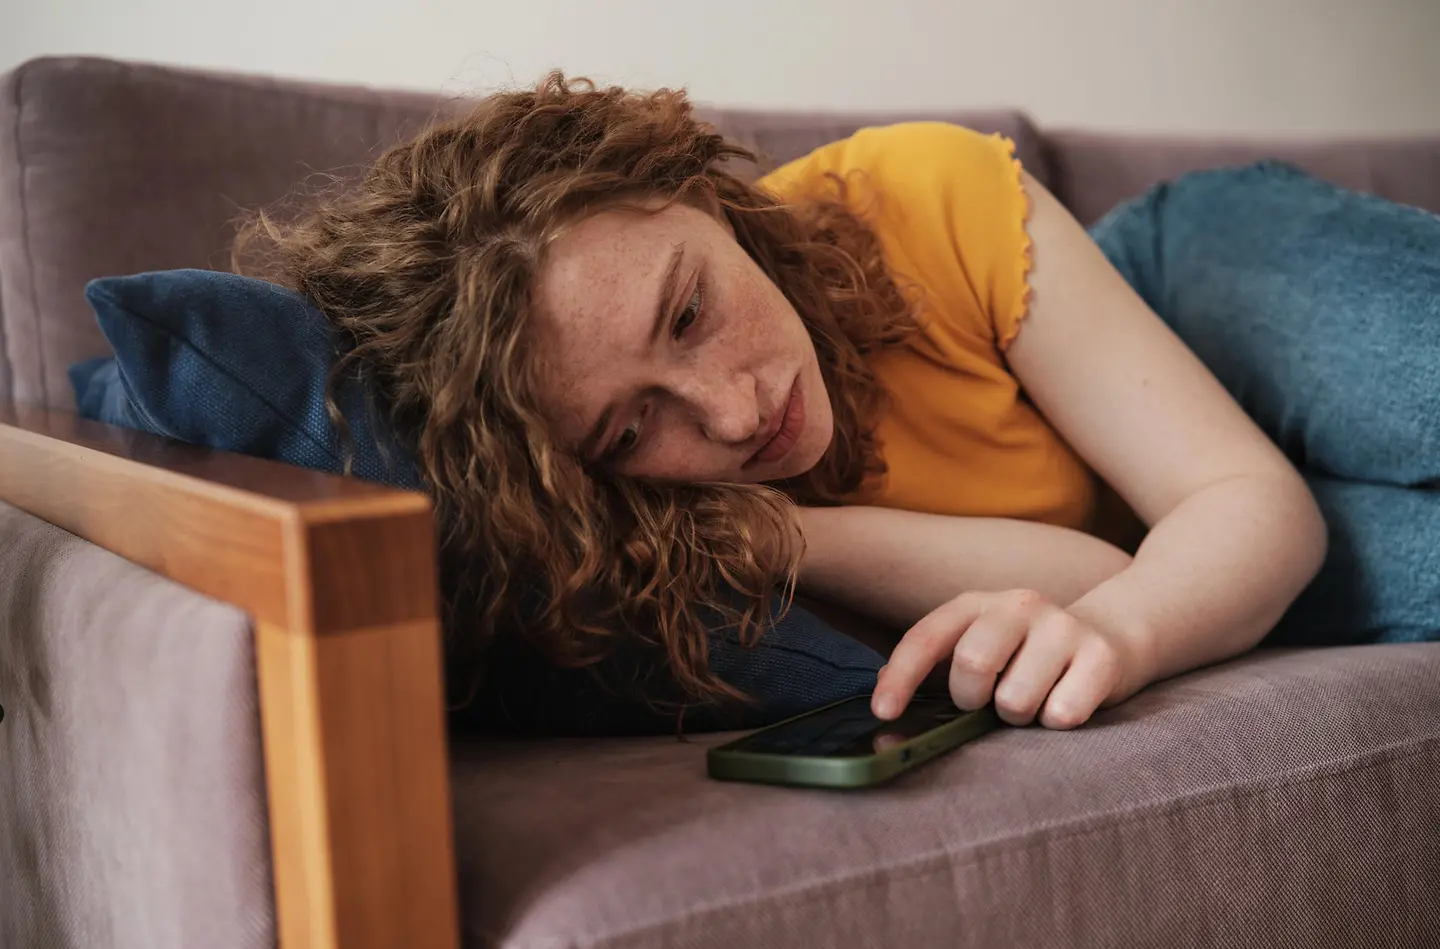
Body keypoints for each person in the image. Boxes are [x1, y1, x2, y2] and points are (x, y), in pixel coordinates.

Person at [238, 73, 1440, 733]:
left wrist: (1127, 636)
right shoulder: (664, 521)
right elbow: (1098, 575)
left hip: (1189, 286)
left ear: (696, 192)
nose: (727, 413)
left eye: (690, 312)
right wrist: (786, 529)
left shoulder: (917, 192)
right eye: (628, 426)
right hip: (1206, 553)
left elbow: (1231, 498)